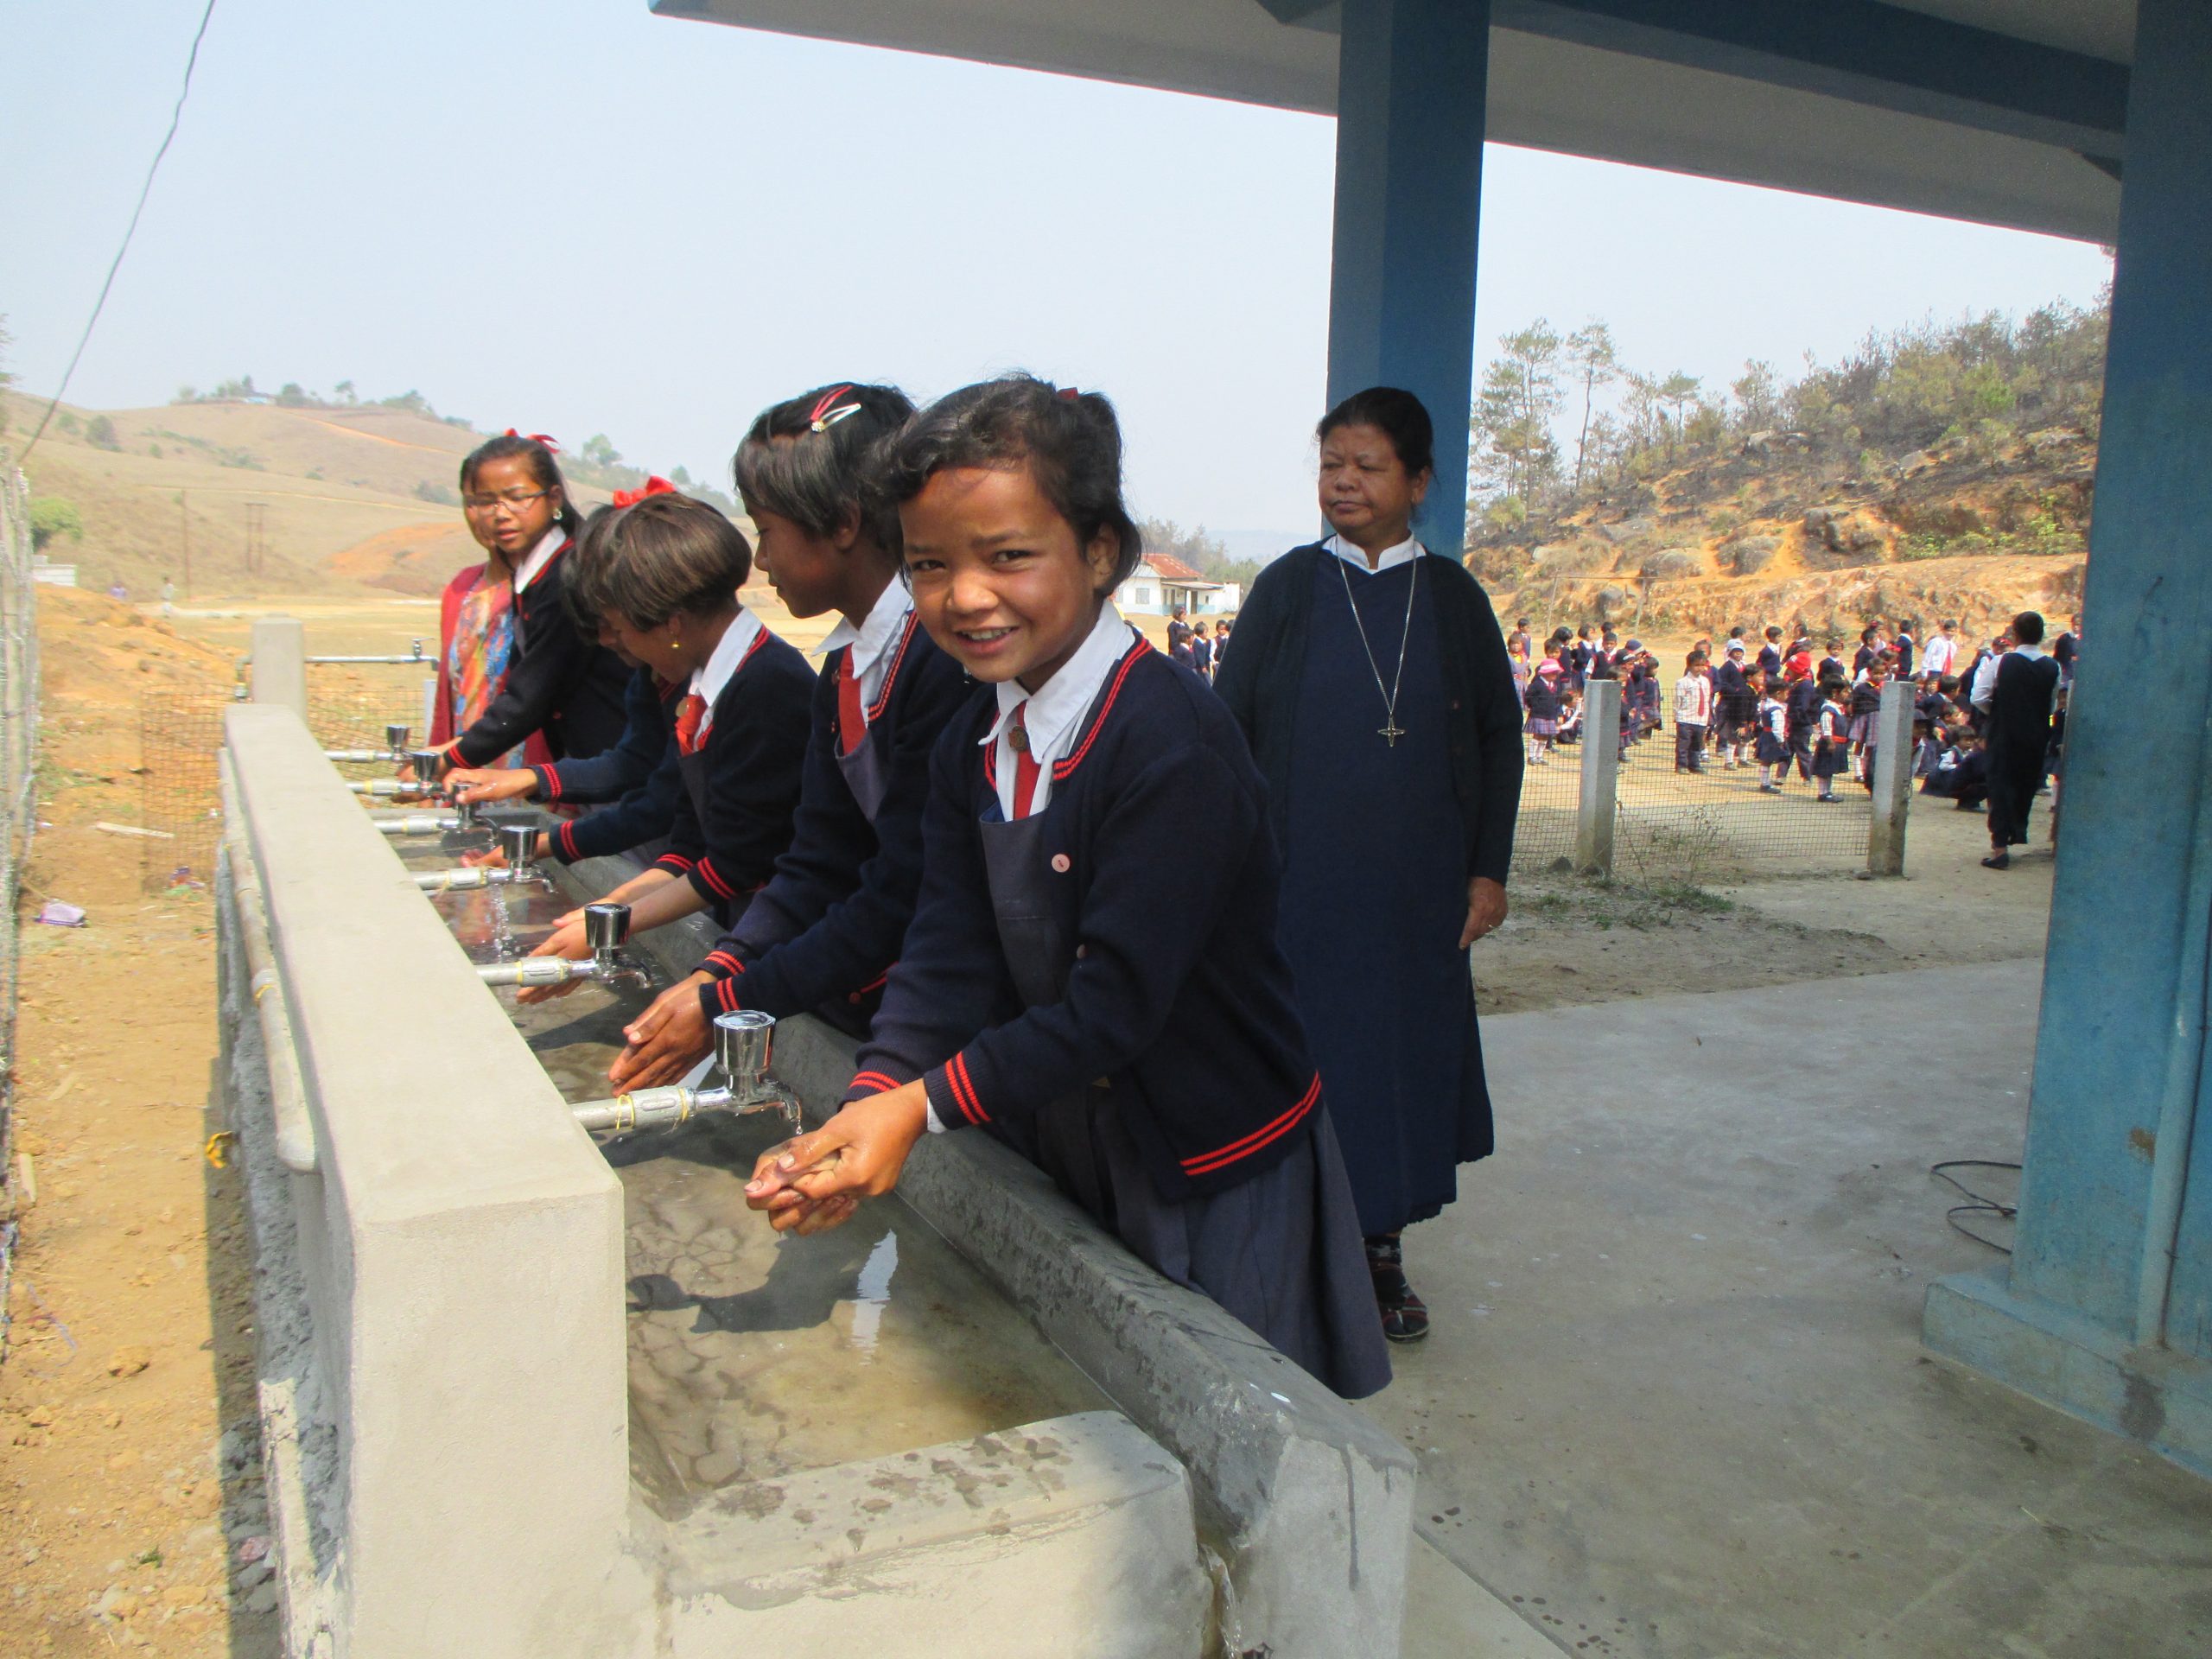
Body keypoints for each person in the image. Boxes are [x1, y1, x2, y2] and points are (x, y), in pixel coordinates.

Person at [745, 375, 1391, 1398]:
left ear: (1098, 552)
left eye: (1008, 556)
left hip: (1210, 1154)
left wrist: (916, 1109)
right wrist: (871, 1098)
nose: (965, 595)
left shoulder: (1168, 744)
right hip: (1069, 1124)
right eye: (928, 564)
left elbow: (1114, 1006)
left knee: (1235, 1410)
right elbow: (946, 946)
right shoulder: (974, 734)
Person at [1214, 385, 1521, 1344]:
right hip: (1298, 883)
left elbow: (1500, 740)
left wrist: (1487, 871)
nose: (1342, 482)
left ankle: (1379, 1251)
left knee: (1396, 1064)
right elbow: (1227, 732)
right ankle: (1289, 1246)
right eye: (1330, 465)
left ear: (1418, 481)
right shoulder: (1287, 589)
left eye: (1367, 466)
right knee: (1299, 1052)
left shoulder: (1456, 601)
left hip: (1417, 890)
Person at [607, 381, 975, 1086]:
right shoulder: (845, 665)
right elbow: (817, 857)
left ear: (842, 523)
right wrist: (721, 971)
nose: (761, 561)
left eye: (766, 530)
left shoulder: (936, 661)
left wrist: (731, 997)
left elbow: (904, 885)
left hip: (941, 1014)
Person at [518, 488, 813, 983]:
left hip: (785, 939)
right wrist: (608, 911)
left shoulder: (766, 687)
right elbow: (690, 841)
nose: (621, 647)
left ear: (671, 624)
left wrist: (612, 926)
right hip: (748, 924)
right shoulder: (707, 685)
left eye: (621, 630)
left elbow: (736, 864)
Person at [430, 432, 630, 772]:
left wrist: (451, 759)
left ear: (554, 499)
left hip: (611, 760)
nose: (501, 514)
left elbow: (530, 696)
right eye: (485, 502)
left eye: (517, 498)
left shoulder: (567, 577)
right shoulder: (534, 576)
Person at [1974, 610, 2062, 869]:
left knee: (2000, 784)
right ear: (2041, 635)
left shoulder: (2001, 662)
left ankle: (2000, 847)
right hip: (2036, 735)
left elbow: (1979, 697)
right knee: (2025, 783)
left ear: (2015, 634)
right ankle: (2016, 831)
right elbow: (2051, 704)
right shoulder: (2053, 667)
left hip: (2004, 733)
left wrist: (1998, 712)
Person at [1811, 676, 1850, 801]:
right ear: (1834, 692)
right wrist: (1830, 741)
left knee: (1830, 769)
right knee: (1825, 769)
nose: (1847, 694)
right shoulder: (1828, 709)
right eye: (1845, 691)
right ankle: (1823, 793)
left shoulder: (1839, 708)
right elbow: (1826, 727)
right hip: (1830, 744)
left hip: (1838, 743)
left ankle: (1828, 791)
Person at [1523, 650, 1564, 765]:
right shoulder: (1537, 684)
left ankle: (1539, 756)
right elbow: (1528, 696)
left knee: (1545, 736)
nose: (1555, 675)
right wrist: (1534, 706)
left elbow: (1557, 700)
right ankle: (1532, 756)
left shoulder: (1554, 686)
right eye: (1553, 673)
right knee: (1537, 735)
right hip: (1538, 714)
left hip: (1550, 714)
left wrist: (1557, 713)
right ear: (1545, 673)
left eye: (1556, 673)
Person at [1674, 650, 1712, 772]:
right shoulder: (1683, 682)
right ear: (1689, 666)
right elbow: (1678, 700)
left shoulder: (1705, 681)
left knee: (1697, 744)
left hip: (1700, 719)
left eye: (1702, 665)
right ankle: (1681, 765)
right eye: (1696, 665)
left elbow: (1706, 699)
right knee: (1684, 743)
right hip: (1686, 718)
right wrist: (1677, 715)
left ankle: (1694, 765)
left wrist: (1706, 717)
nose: (1700, 668)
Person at [1753, 671, 1790, 792]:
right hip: (1772, 738)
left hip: (1765, 734)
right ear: (1778, 693)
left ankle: (1764, 783)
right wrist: (1780, 740)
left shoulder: (1765, 705)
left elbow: (1761, 722)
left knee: (1765, 761)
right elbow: (1778, 727)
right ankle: (1765, 785)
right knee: (1769, 760)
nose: (1787, 696)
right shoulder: (1777, 710)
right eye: (1786, 693)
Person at [1921, 619, 1959, 683]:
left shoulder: (1953, 646)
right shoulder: (1936, 642)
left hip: (1945, 673)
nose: (1950, 633)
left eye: (1952, 631)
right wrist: (1924, 673)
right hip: (1934, 671)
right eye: (1948, 631)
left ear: (1955, 632)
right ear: (1943, 631)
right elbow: (1927, 657)